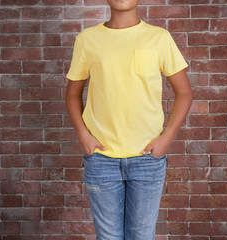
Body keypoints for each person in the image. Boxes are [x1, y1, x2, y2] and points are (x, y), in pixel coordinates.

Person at [65, 0, 193, 239]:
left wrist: (166, 138)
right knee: (108, 236)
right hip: (102, 159)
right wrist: (84, 135)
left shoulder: (159, 38)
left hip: (147, 159)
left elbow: (184, 93)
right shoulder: (87, 39)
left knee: (142, 236)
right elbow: (73, 93)